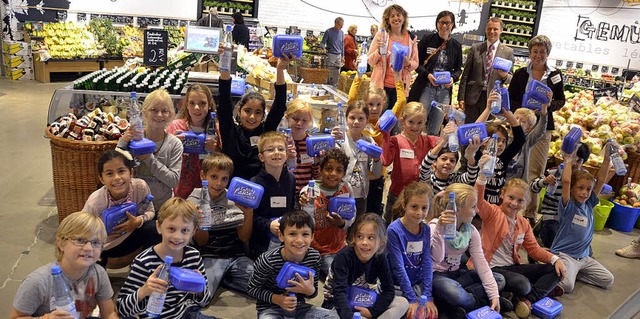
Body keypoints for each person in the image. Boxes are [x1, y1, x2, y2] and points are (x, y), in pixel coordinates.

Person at [474, 174, 566, 319]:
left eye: (520, 200)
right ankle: (535, 291)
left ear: (526, 202)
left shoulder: (523, 223)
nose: (514, 203)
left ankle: (527, 299)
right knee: (522, 284)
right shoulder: (493, 212)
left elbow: (534, 250)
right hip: (491, 267)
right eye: (511, 198)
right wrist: (482, 177)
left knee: (555, 270)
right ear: (502, 194)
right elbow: (478, 201)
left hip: (512, 267)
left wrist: (555, 259)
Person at [117, 198, 214, 318]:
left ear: (193, 231)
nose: (177, 236)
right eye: (171, 229)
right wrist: (144, 290)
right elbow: (121, 308)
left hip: (185, 313)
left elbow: (205, 300)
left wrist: (199, 289)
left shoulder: (193, 256)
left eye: (185, 230)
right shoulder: (144, 262)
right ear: (158, 227)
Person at [10, 212, 117, 319]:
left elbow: (109, 313)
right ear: (61, 243)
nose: (89, 248)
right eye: (80, 240)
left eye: (96, 242)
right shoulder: (38, 282)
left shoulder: (98, 273)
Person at [508, 35, 566, 220]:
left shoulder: (555, 75)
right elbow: (511, 97)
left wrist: (546, 107)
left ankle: (530, 213)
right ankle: (509, 207)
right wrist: (523, 109)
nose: (538, 55)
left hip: (542, 126)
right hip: (521, 125)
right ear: (530, 52)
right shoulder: (520, 73)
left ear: (548, 53)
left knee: (536, 170)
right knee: (514, 166)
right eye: (535, 51)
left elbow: (561, 100)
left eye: (542, 51)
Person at [428, 184, 506, 317]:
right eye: (473, 206)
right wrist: (441, 229)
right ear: (457, 209)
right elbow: (436, 258)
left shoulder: (471, 231)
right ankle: (478, 304)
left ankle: (455, 306)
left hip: (457, 274)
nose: (477, 210)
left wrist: (494, 295)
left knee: (499, 279)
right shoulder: (434, 226)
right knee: (452, 291)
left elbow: (481, 263)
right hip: (437, 276)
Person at [247, 210, 337, 319]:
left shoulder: (314, 257)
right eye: (292, 234)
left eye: (305, 234)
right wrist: (278, 299)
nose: (299, 240)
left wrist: (310, 290)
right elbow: (252, 289)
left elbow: (312, 293)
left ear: (312, 236)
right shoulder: (268, 260)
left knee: (332, 317)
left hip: (299, 306)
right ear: (281, 235)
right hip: (271, 308)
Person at [188, 153, 254, 297]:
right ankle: (222, 277)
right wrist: (202, 223)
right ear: (202, 175)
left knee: (263, 286)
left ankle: (225, 278)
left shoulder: (234, 198)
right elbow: (201, 242)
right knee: (201, 296)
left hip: (237, 256)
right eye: (214, 177)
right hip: (211, 256)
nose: (219, 183)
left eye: (224, 179)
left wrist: (249, 214)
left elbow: (244, 237)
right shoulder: (194, 200)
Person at [218, 53, 291, 180]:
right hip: (231, 191)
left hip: (261, 191)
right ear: (239, 111)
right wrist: (225, 61)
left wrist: (279, 70)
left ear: (263, 115)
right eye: (247, 111)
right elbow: (224, 99)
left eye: (258, 112)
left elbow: (279, 106)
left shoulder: (266, 133)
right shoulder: (230, 131)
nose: (252, 117)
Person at [550, 147, 614, 293]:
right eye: (580, 188)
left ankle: (572, 272)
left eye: (588, 189)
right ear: (573, 189)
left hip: (584, 258)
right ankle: (561, 267)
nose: (584, 193)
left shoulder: (589, 203)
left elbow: (602, 179)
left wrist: (607, 158)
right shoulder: (569, 205)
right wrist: (568, 159)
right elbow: (566, 181)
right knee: (567, 286)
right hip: (565, 255)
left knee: (608, 280)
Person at [323, 213, 409, 319]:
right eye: (360, 237)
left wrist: (372, 311)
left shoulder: (380, 257)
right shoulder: (344, 257)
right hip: (338, 304)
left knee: (402, 302)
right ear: (354, 238)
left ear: (381, 242)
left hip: (364, 299)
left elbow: (388, 290)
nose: (364, 242)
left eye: (370, 238)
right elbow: (339, 294)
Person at [82, 149, 159, 267]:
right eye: (109, 173)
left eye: (121, 171)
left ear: (131, 172)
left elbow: (151, 210)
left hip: (131, 237)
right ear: (102, 179)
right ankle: (99, 274)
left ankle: (144, 270)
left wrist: (138, 221)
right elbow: (83, 232)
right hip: (106, 247)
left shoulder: (140, 187)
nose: (117, 178)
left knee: (156, 227)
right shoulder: (95, 202)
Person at [348, 69, 405, 215]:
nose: (374, 108)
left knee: (372, 213)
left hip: (377, 177)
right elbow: (351, 101)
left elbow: (402, 101)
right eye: (370, 104)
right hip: (357, 176)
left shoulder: (386, 121)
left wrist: (398, 77)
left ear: (383, 104)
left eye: (378, 104)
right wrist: (358, 76)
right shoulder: (360, 120)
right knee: (355, 213)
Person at [118, 88, 183, 209]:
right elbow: (116, 166)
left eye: (164, 111)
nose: (159, 115)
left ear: (171, 114)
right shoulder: (132, 139)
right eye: (154, 110)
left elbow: (173, 181)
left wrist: (148, 158)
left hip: (161, 207)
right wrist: (122, 143)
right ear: (144, 112)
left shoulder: (175, 144)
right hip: (132, 205)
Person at [299, 147, 354, 278]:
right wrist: (306, 204)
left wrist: (342, 223)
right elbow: (307, 224)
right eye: (329, 168)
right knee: (337, 274)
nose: (333, 174)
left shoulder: (346, 189)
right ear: (320, 169)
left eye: (339, 170)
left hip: (340, 245)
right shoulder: (310, 191)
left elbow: (352, 216)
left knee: (357, 270)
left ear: (344, 173)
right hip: (319, 249)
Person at [387, 182, 439, 319]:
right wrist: (411, 299)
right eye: (414, 207)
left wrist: (427, 296)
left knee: (430, 315)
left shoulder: (426, 229)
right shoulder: (394, 230)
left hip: (416, 283)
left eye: (424, 208)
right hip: (397, 284)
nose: (419, 213)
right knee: (410, 314)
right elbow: (398, 267)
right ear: (404, 205)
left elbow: (427, 262)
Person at [381, 102, 439, 224]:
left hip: (419, 197)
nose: (415, 127)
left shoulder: (427, 140)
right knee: (390, 226)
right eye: (411, 122)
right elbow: (386, 161)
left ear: (425, 122)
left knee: (414, 227)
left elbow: (446, 141)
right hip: (397, 194)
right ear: (402, 121)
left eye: (420, 123)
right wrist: (385, 133)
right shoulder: (395, 141)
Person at [409, 10, 463, 136]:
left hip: (444, 92)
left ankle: (430, 153)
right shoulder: (428, 40)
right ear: (437, 23)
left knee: (435, 128)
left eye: (448, 23)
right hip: (426, 88)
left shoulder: (456, 46)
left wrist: (453, 79)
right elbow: (417, 63)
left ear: (453, 24)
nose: (444, 26)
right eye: (442, 22)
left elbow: (458, 69)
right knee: (418, 122)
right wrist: (427, 75)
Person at [529, 144, 590, 248]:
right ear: (565, 157)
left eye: (579, 160)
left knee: (583, 245)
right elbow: (532, 187)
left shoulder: (584, 177)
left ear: (583, 162)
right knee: (553, 237)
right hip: (553, 216)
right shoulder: (554, 172)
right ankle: (543, 228)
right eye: (572, 159)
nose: (575, 163)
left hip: (573, 218)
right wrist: (544, 181)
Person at [250, 131, 297, 259]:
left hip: (286, 238)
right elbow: (250, 217)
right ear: (261, 157)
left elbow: (291, 208)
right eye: (270, 149)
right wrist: (268, 225)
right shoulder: (254, 183)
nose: (276, 152)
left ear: (287, 154)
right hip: (262, 240)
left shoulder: (291, 179)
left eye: (281, 149)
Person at [458, 17, 514, 123]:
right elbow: (466, 74)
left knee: (488, 130)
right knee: (470, 128)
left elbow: (511, 78)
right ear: (486, 29)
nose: (492, 32)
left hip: (493, 99)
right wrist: (461, 97)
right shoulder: (476, 48)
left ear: (501, 31)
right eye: (489, 29)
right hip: (472, 97)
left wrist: (504, 76)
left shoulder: (508, 52)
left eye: (495, 29)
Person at [331, 101, 383, 217]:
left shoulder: (369, 142)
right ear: (345, 119)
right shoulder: (340, 140)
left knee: (357, 227)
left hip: (361, 196)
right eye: (352, 118)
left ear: (367, 121)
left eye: (361, 118)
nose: (356, 122)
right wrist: (331, 142)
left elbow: (377, 173)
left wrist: (376, 160)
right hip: (341, 194)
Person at [473, 93, 525, 205]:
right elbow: (475, 131)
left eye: (504, 141)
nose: (500, 144)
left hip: (494, 207)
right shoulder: (478, 155)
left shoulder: (503, 158)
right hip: (476, 206)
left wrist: (509, 115)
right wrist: (488, 109)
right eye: (497, 140)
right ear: (485, 141)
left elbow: (520, 139)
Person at [167, 84, 217, 199]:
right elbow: (164, 159)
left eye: (202, 103)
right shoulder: (176, 127)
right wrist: (172, 144)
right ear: (186, 105)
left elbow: (222, 164)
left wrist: (215, 150)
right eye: (192, 103)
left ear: (209, 105)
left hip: (207, 193)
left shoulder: (215, 130)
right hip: (180, 193)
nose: (197, 108)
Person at [369, 4, 419, 111]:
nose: (396, 18)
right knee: (378, 121)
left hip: (400, 87)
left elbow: (416, 63)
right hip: (380, 87)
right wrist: (379, 51)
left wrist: (408, 63)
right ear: (388, 20)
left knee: (395, 122)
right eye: (392, 16)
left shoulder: (411, 38)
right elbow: (370, 61)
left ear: (404, 17)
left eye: (398, 15)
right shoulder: (381, 35)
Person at [419, 122, 482, 193]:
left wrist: (470, 156)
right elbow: (425, 167)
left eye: (452, 161)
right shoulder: (428, 178)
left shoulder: (455, 180)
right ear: (435, 162)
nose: (448, 162)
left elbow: (471, 177)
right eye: (444, 159)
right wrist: (443, 142)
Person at [284, 99, 320, 204]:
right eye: (295, 119)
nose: (299, 123)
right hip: (285, 193)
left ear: (310, 121)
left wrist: (317, 161)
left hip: (305, 195)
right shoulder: (281, 142)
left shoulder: (313, 143)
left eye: (304, 120)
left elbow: (317, 176)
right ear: (287, 118)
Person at [506, 104, 548, 183]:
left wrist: (544, 109)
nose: (517, 122)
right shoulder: (503, 137)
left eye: (523, 121)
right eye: (516, 118)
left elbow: (541, 130)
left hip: (519, 183)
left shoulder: (528, 140)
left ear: (529, 128)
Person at [321, 17, 345, 86]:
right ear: (336, 23)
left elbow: (342, 45)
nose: (341, 27)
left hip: (339, 54)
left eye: (342, 25)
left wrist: (343, 56)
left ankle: (335, 85)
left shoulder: (342, 33)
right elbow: (322, 42)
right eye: (340, 25)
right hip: (331, 54)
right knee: (329, 71)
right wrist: (323, 48)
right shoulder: (328, 31)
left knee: (337, 72)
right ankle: (327, 85)